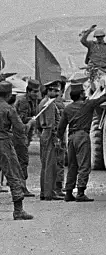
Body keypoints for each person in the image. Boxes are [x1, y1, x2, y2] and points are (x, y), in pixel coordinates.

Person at [57, 79, 106, 202]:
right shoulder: (88, 104)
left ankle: (68, 192)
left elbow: (61, 127)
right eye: (83, 92)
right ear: (81, 95)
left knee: (72, 165)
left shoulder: (68, 108)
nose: (85, 94)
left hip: (71, 137)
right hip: (82, 136)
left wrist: (59, 139)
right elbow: (105, 96)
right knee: (84, 165)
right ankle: (80, 192)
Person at [0, 81, 34, 219]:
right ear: (9, 95)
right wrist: (30, 123)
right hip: (4, 144)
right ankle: (18, 210)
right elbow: (21, 129)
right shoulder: (9, 109)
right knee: (14, 175)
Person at [37, 79, 66, 200]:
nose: (57, 93)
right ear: (49, 91)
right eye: (55, 91)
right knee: (50, 165)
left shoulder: (43, 102)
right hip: (49, 134)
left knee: (46, 164)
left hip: (45, 134)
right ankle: (50, 193)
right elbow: (51, 124)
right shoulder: (49, 104)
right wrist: (56, 139)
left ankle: (45, 192)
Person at [14, 79, 40, 180]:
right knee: (22, 160)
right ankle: (19, 183)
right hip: (19, 134)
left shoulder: (34, 101)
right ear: (28, 91)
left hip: (26, 134)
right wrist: (32, 120)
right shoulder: (23, 101)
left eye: (37, 92)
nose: (36, 94)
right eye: (34, 92)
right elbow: (20, 119)